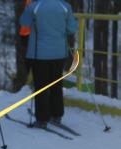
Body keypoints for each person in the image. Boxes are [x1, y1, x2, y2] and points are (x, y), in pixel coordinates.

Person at [20, 0, 78, 128]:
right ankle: (57, 114)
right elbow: (71, 28)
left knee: (41, 86)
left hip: (39, 54)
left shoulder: (34, 6)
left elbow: (24, 23)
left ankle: (42, 118)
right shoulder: (65, 6)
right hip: (59, 53)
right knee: (56, 84)